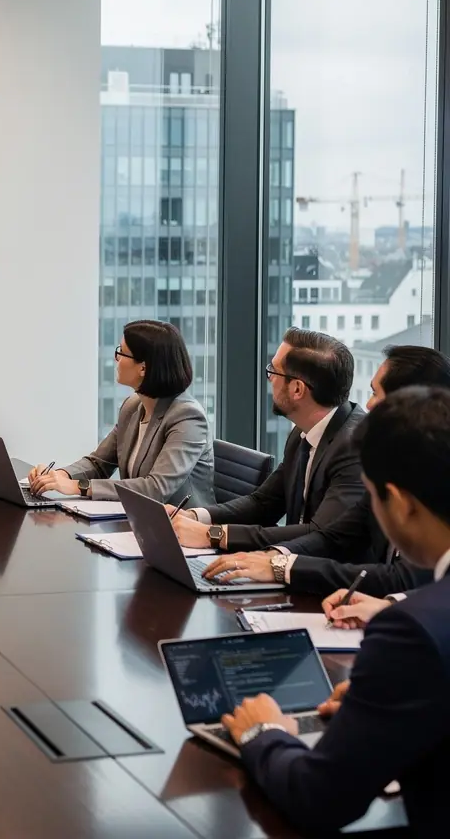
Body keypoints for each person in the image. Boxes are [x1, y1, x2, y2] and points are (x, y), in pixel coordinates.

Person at [221, 386, 450, 837]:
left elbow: (319, 797)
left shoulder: (411, 633)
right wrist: (389, 702)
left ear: (400, 503)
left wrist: (262, 732)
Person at [203, 344, 450, 592]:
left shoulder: (364, 448)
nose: (369, 404)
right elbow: (336, 534)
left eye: (376, 393)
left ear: (412, 404)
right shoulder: (392, 463)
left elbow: (403, 578)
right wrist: (275, 559)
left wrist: (282, 567)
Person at [171, 328, 365, 553]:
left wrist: (214, 535)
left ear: (297, 389)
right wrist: (196, 516)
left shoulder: (355, 447)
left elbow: (320, 533)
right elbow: (264, 503)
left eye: (273, 370)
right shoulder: (302, 433)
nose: (270, 377)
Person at [29, 320, 215, 507]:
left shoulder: (187, 417)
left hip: (180, 527)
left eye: (121, 352)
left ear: (143, 367)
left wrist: (79, 486)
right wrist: (59, 476)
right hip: (138, 518)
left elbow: (155, 488)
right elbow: (98, 463)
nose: (116, 359)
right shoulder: (132, 406)